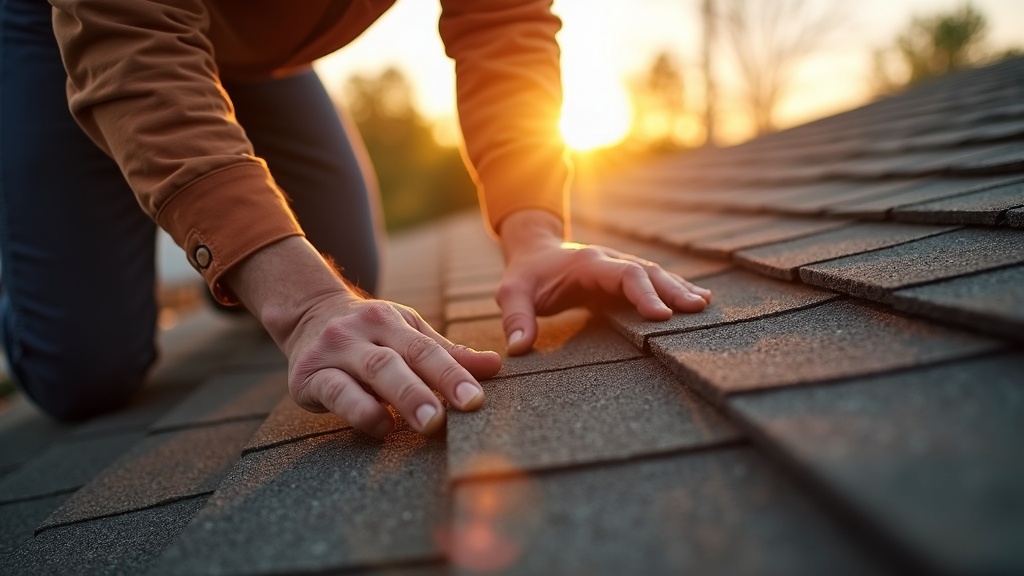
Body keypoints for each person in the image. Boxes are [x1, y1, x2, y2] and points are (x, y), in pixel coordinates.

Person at [0, 0, 711, 437]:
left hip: (255, 51)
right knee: (84, 370)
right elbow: (131, 45)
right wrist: (302, 304)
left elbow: (502, 22)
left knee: (347, 269)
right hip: (81, 25)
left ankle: (210, 243)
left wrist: (535, 233)